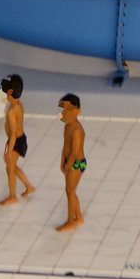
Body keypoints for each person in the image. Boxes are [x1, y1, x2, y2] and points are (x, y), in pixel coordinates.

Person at [0, 74, 34, 205]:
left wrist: (9, 150)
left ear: (10, 92)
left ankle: (12, 196)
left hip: (16, 141)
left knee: (10, 168)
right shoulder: (17, 104)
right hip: (18, 139)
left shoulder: (12, 111)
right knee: (12, 166)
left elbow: (13, 134)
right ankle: (29, 186)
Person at [55, 93, 86, 233]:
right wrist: (62, 160)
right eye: (64, 109)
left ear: (77, 111)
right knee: (71, 191)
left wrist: (68, 164)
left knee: (70, 192)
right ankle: (78, 217)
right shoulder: (67, 127)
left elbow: (75, 151)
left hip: (77, 164)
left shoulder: (77, 130)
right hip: (69, 162)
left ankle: (70, 221)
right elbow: (65, 146)